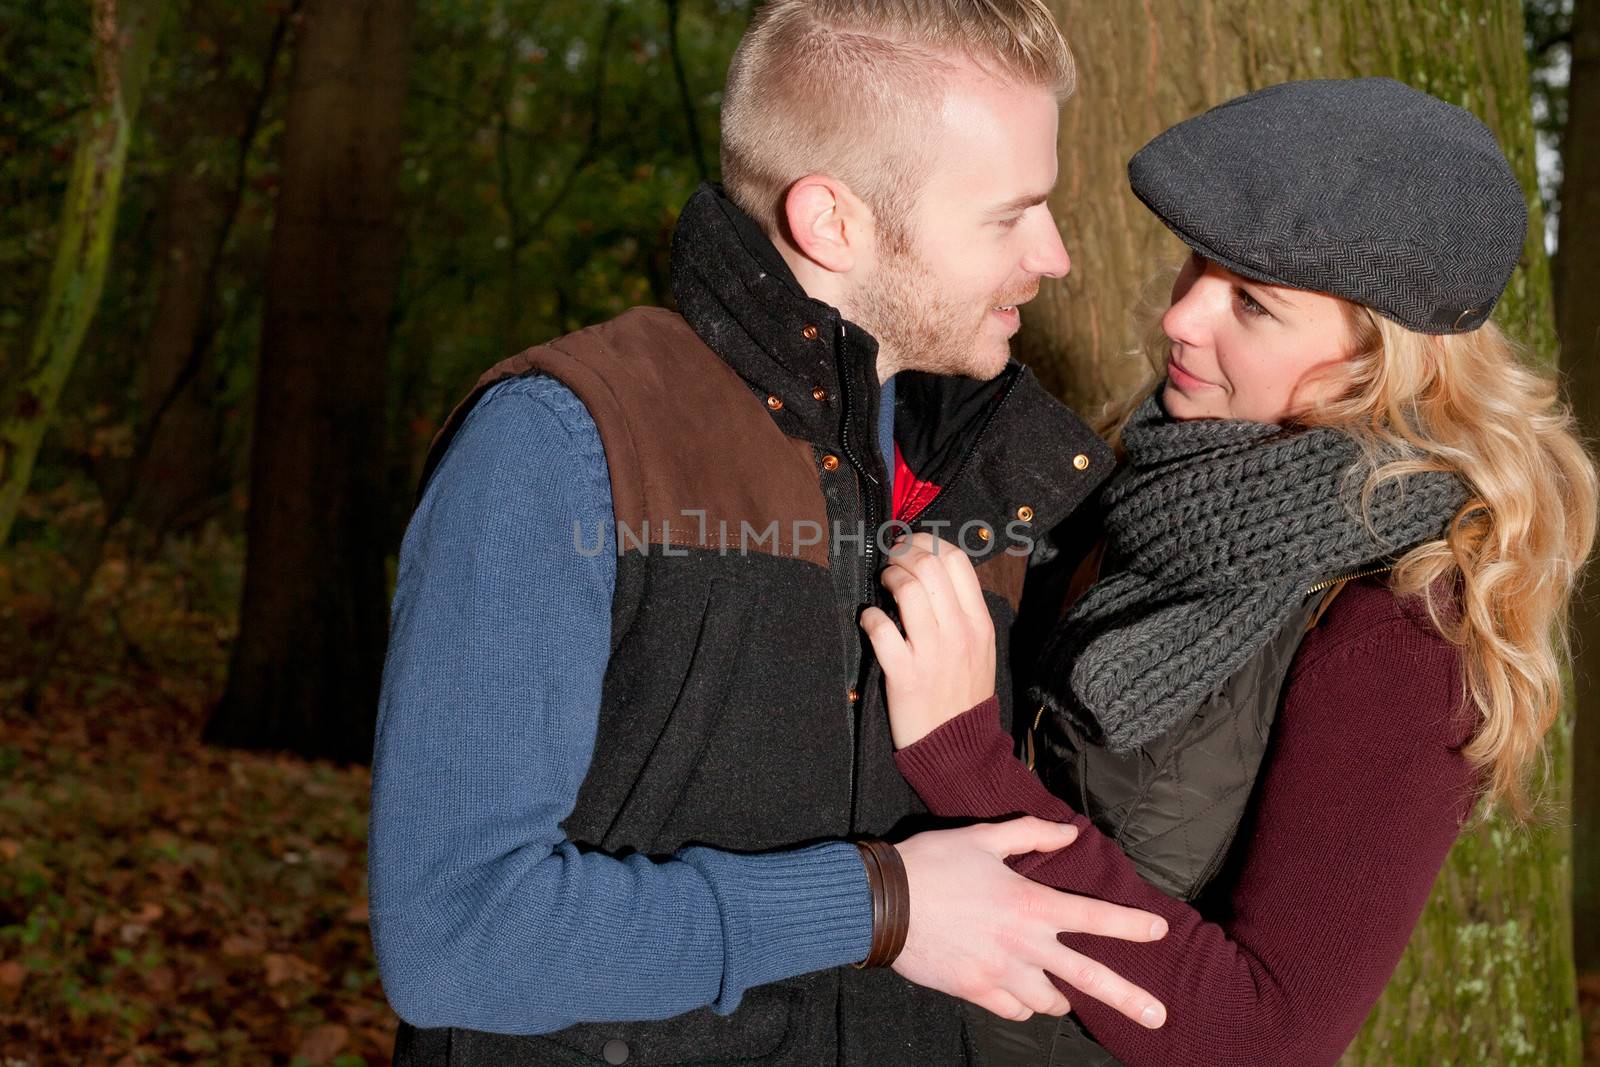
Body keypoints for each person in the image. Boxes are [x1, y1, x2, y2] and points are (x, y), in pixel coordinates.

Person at [367, 3, 1174, 1065]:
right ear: (832, 221)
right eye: (1006, 216)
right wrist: (877, 903)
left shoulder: (996, 477)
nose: (1056, 254)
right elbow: (456, 936)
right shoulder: (564, 441)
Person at [864, 78, 1599, 1066]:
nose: (1182, 316)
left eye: (1252, 302)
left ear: (1378, 365)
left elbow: (1270, 1034)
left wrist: (971, 767)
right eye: (1196, 267)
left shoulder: (1401, 634)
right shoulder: (1150, 485)